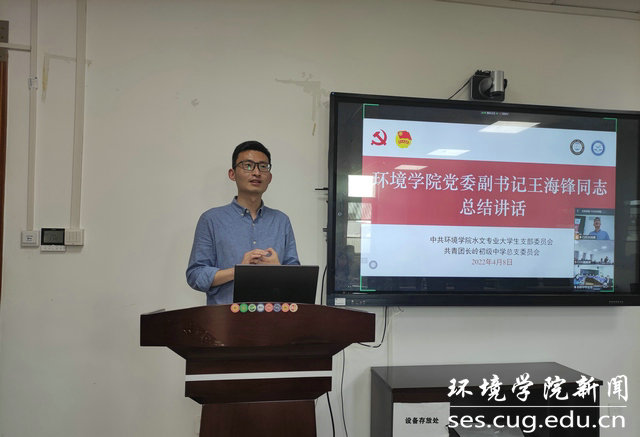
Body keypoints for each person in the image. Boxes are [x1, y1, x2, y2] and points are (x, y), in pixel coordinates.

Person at [186, 141, 299, 304]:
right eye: (248, 165)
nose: (256, 172)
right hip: (225, 317)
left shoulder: (281, 221)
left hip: (273, 316)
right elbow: (195, 275)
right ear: (232, 174)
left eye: (263, 167)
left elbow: (298, 280)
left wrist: (278, 270)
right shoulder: (211, 220)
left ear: (269, 177)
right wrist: (239, 272)